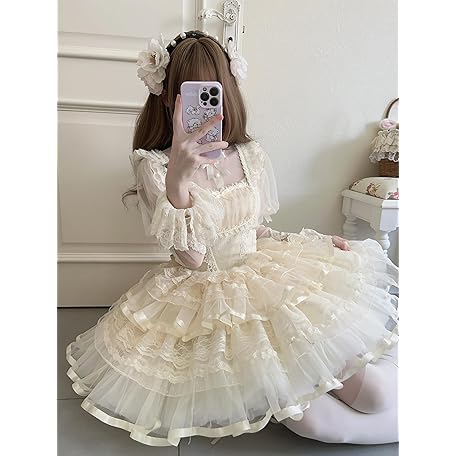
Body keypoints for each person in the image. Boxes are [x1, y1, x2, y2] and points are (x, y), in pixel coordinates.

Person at [66, 30, 399, 447]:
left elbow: (253, 231)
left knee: (376, 396)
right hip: (203, 300)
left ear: (228, 90)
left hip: (265, 277)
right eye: (191, 93)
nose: (206, 103)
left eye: (215, 89)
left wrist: (312, 243)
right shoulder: (153, 166)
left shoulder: (249, 155)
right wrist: (178, 180)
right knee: (313, 423)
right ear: (167, 98)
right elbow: (191, 258)